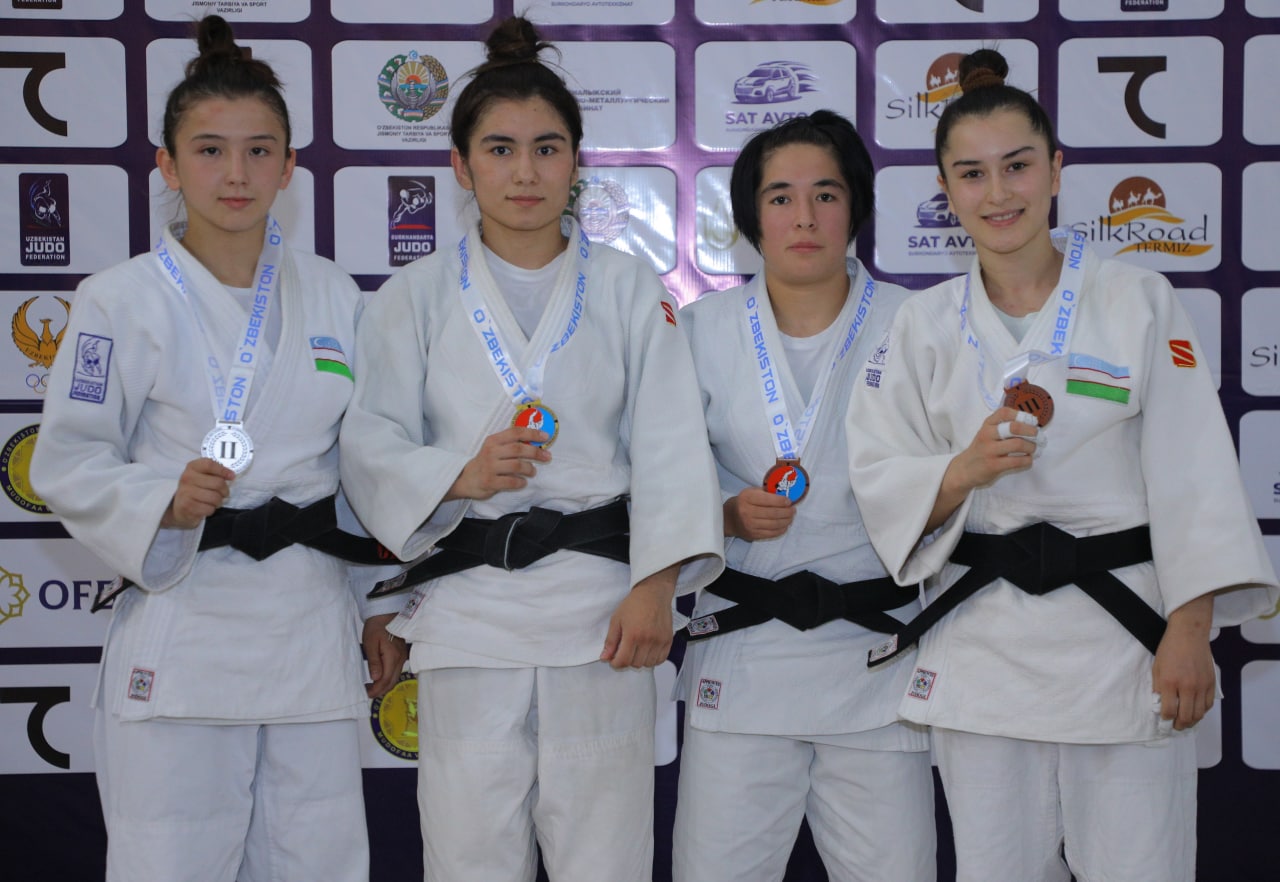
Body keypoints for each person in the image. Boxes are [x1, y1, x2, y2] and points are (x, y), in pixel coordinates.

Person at [846, 48, 1279, 882]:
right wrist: (964, 470)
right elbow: (881, 478)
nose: (997, 193)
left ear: (1056, 171)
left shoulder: (1137, 300)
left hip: (1124, 641)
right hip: (984, 645)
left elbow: (1194, 473)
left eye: (1017, 166)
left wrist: (1190, 631)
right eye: (972, 174)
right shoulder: (923, 324)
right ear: (945, 191)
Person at [336, 16, 724, 882]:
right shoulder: (412, 297)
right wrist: (459, 474)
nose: (524, 172)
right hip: (467, 617)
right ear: (461, 165)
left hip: (601, 615)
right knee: (468, 859)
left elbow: (670, 445)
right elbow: (369, 443)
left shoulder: (629, 289)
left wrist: (656, 586)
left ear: (577, 161)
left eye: (547, 149)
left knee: (605, 861)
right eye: (500, 149)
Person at [29, 15, 406, 882]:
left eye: (258, 151)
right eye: (209, 151)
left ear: (289, 166)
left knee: (319, 861)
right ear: (167, 166)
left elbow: (360, 467)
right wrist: (160, 498)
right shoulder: (116, 300)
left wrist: (378, 604)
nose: (236, 174)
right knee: (173, 862)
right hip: (187, 624)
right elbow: (67, 460)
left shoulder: (334, 295)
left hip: (310, 624)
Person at [670, 111, 936, 882]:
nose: (805, 216)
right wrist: (722, 515)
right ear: (752, 216)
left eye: (826, 194)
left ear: (856, 206)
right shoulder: (699, 331)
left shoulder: (918, 326)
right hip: (743, 656)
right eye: (781, 197)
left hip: (877, 656)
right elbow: (658, 480)